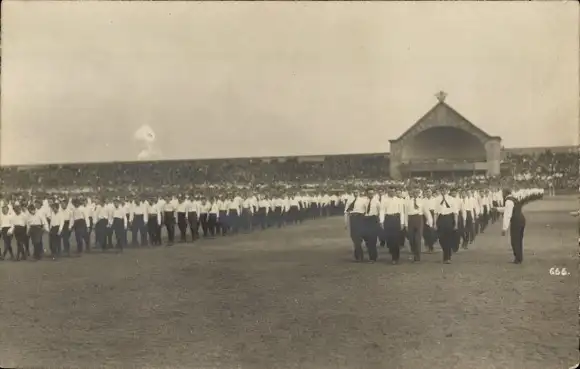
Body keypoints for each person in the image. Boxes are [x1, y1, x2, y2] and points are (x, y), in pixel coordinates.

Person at [501, 188, 526, 264]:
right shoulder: (514, 199)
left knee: (514, 241)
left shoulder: (508, 201)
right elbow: (508, 209)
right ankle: (519, 257)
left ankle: (517, 259)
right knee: (519, 240)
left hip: (516, 221)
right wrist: (497, 209)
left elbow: (507, 214)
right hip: (521, 219)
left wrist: (504, 228)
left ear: (505, 193)